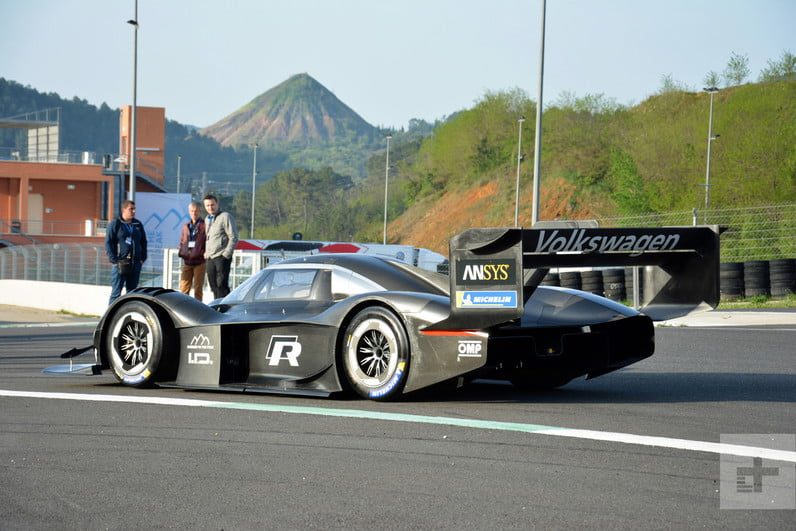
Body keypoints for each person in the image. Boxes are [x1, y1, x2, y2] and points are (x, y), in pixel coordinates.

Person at [105, 199, 147, 304]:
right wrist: (114, 260)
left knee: (132, 294)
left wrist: (142, 258)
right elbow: (109, 242)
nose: (133, 211)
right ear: (124, 209)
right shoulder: (116, 223)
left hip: (135, 264)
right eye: (131, 209)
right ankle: (110, 318)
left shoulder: (137, 224)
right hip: (121, 264)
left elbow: (143, 242)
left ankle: (128, 315)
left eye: (134, 209)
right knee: (116, 293)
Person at [203, 194, 239, 299]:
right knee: (213, 285)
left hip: (221, 256)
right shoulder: (207, 219)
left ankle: (225, 309)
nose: (210, 207)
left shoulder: (225, 217)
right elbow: (208, 238)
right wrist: (206, 252)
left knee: (222, 285)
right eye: (207, 205)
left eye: (212, 205)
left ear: (217, 204)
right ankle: (216, 307)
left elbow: (234, 237)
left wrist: (226, 254)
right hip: (210, 257)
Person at [178, 201, 207, 301]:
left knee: (198, 289)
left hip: (200, 261)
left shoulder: (204, 225)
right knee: (184, 288)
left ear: (199, 211)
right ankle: (183, 309)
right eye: (191, 211)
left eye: (196, 211)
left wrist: (204, 252)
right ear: (189, 212)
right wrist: (181, 250)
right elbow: (182, 240)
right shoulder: (186, 226)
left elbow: (207, 241)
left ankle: (198, 311)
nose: (194, 213)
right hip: (187, 261)